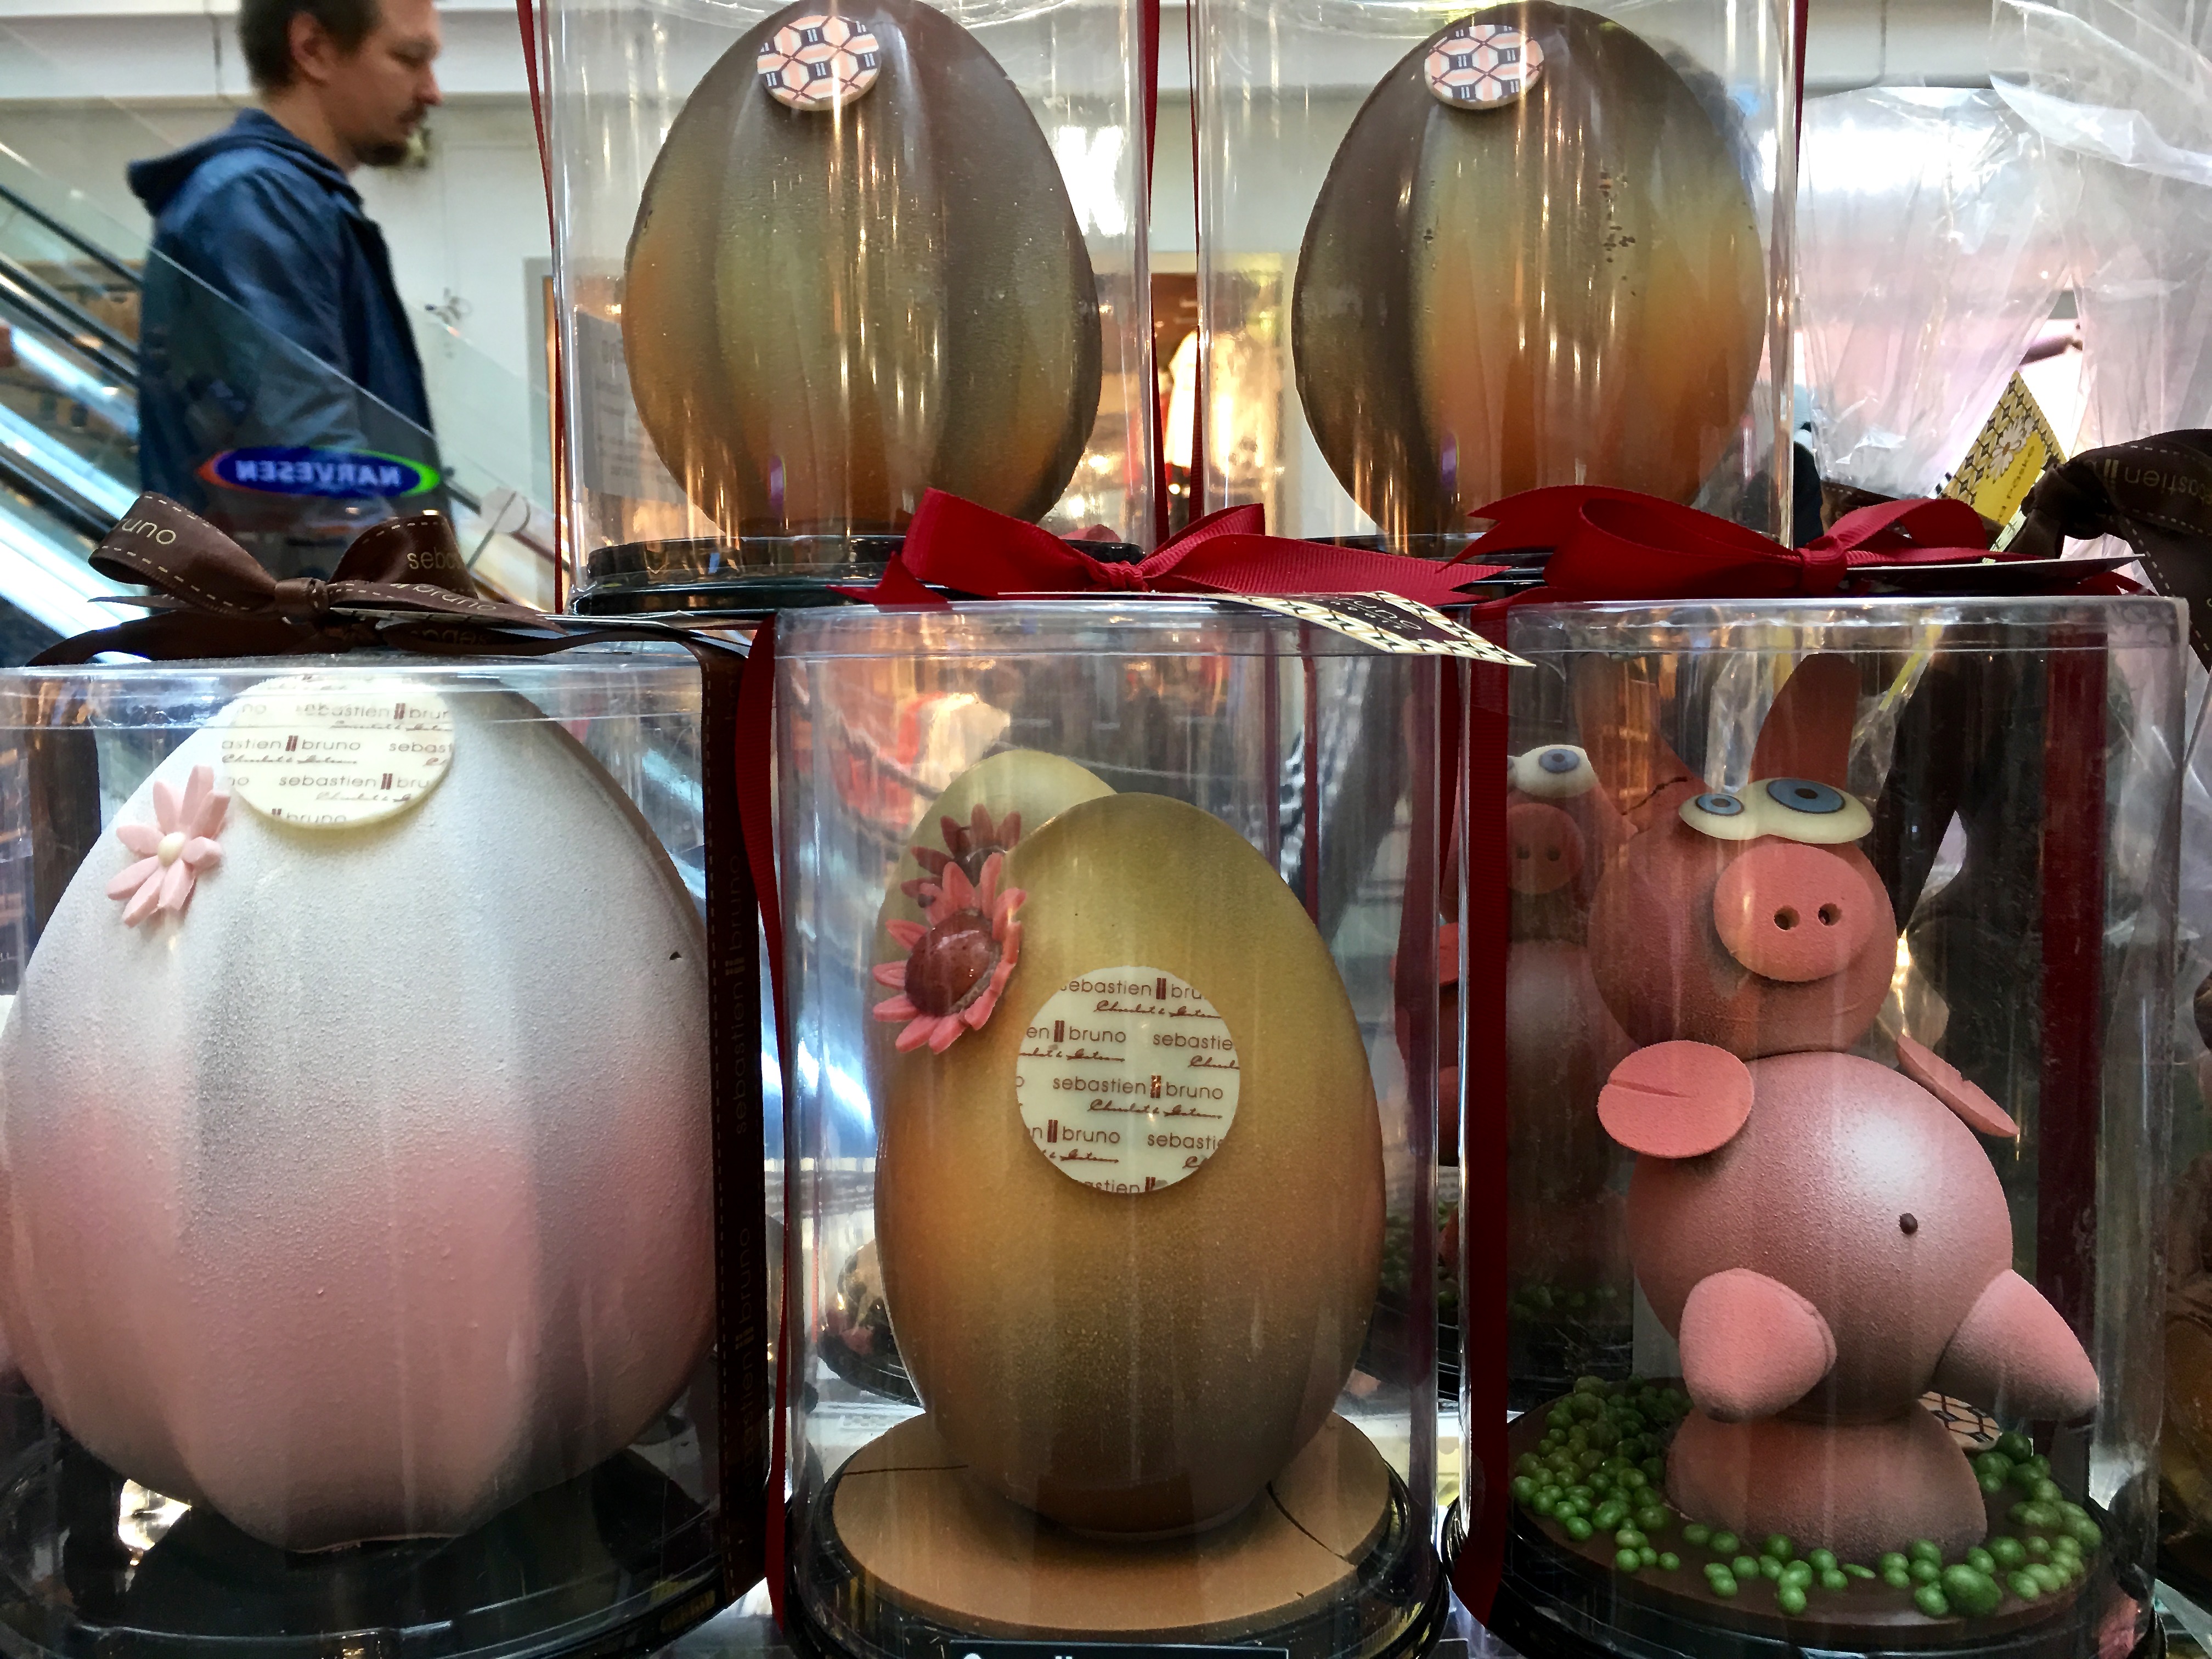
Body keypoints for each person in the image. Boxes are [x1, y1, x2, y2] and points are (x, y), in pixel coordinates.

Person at [128, 0, 446, 572]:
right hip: (300, 617)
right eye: (409, 58)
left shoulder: (285, 198)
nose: (432, 91)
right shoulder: (254, 200)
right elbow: (310, 464)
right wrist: (412, 597)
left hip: (304, 611)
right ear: (312, 49)